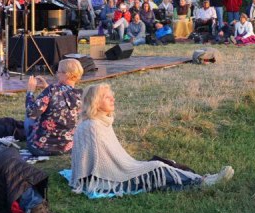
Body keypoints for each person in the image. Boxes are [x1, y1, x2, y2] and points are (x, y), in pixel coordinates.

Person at [69, 84, 233, 196]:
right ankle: (202, 182)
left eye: (112, 96)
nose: (113, 99)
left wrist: (133, 166)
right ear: (95, 103)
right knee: (156, 167)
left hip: (113, 174)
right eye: (107, 97)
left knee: (159, 164)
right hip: (107, 180)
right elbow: (103, 164)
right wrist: (131, 168)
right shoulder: (92, 126)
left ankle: (199, 181)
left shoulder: (101, 121)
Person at [24, 58, 84, 155]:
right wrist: (47, 87)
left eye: (58, 71)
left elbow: (32, 112)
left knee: (29, 115)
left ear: (67, 74)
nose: (56, 74)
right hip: (68, 148)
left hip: (41, 148)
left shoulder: (52, 90)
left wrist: (30, 92)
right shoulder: (81, 95)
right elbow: (62, 97)